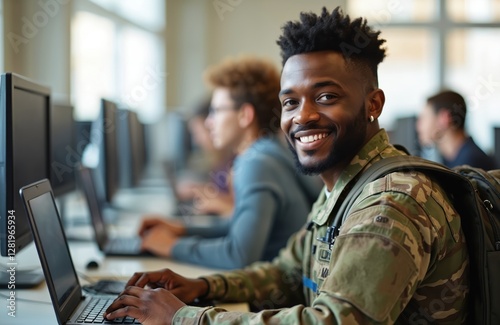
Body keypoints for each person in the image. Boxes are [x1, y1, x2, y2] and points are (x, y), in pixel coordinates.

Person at [105, 7, 469, 324]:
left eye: (326, 97)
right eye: (291, 102)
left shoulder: (390, 203)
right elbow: (288, 272)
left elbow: (333, 322)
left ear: (373, 104)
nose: (304, 116)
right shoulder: (342, 186)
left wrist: (182, 317)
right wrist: (203, 286)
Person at [139, 55, 321, 269]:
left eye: (216, 111)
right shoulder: (267, 152)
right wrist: (181, 229)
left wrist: (172, 246)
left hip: (276, 297)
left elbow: (238, 256)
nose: (209, 122)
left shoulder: (258, 163)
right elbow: (238, 225)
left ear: (245, 115)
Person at [174, 96, 235, 217]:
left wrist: (220, 205)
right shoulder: (222, 161)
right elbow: (225, 195)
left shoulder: (237, 163)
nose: (196, 141)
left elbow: (241, 208)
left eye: (198, 133)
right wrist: (200, 190)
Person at [417, 89, 497, 170]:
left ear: (443, 118)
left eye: (424, 118)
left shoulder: (470, 163)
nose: (418, 126)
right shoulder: (451, 159)